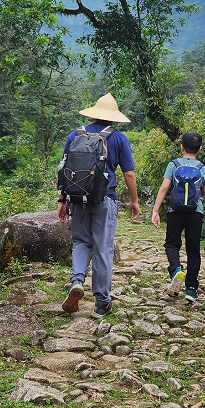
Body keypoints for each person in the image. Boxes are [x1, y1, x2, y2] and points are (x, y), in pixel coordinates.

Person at [58, 93, 140, 316]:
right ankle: (102, 301)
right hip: (106, 199)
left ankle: (77, 280)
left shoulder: (75, 135)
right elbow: (129, 174)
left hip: (77, 198)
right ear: (113, 117)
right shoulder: (118, 138)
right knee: (103, 247)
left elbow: (63, 170)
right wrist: (134, 201)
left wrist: (62, 200)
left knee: (80, 242)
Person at [151, 131, 205, 304]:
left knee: (172, 243)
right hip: (196, 212)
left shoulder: (173, 165)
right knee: (193, 249)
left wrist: (155, 211)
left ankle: (175, 270)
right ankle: (191, 290)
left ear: (181, 147)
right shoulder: (203, 168)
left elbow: (164, 188)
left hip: (175, 211)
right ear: (200, 149)